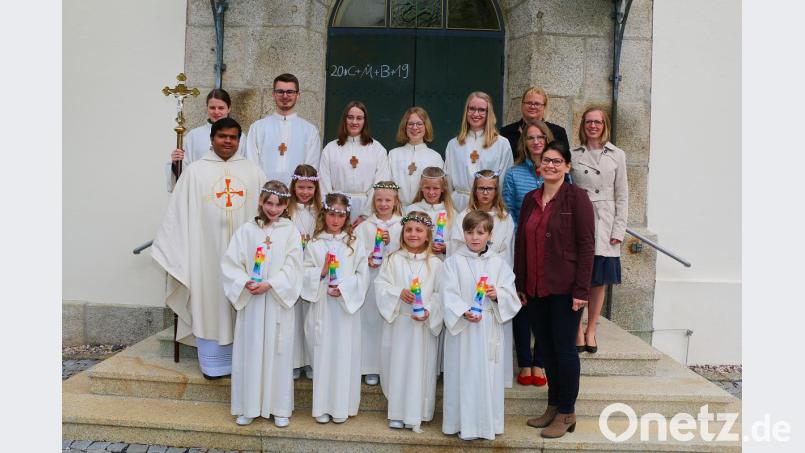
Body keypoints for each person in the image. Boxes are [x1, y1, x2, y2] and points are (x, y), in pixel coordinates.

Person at [152, 117, 266, 378]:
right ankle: (214, 365)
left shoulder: (253, 171)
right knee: (210, 299)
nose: (228, 141)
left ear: (240, 140)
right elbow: (178, 214)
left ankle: (245, 362)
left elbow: (267, 213)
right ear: (212, 139)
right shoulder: (195, 172)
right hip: (206, 255)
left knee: (242, 299)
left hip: (244, 257)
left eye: (233, 137)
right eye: (222, 136)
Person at [513, 142, 595, 439]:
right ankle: (552, 405)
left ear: (567, 166)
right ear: (539, 165)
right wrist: (520, 284)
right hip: (534, 289)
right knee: (545, 350)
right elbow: (521, 244)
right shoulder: (530, 199)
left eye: (557, 161)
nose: (550, 165)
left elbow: (587, 247)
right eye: (546, 160)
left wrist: (581, 290)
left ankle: (567, 412)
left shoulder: (577, 198)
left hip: (565, 289)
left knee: (564, 351)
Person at [221, 181, 303, 428]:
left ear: (286, 205)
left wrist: (272, 284)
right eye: (269, 203)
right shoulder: (247, 231)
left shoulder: (290, 232)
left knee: (279, 353)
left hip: (277, 301)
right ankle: (248, 406)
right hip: (254, 304)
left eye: (279, 204)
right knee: (252, 350)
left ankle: (279, 408)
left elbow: (294, 266)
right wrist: (245, 282)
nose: (273, 209)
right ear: (261, 201)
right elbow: (230, 263)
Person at [441, 211, 520, 441]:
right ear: (462, 234)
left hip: (488, 328)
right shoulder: (453, 262)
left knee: (487, 376)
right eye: (469, 232)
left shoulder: (498, 263)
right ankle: (459, 423)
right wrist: (462, 311)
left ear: (490, 234)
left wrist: (497, 296)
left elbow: (511, 296)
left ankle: (487, 425)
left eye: (480, 232)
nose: (475, 237)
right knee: (462, 374)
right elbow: (447, 294)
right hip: (463, 330)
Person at [301, 193, 370, 424]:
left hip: (344, 312)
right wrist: (320, 273)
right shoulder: (314, 243)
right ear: (324, 214)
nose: (335, 220)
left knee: (343, 355)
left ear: (347, 216)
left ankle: (342, 407)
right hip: (321, 306)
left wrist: (345, 288)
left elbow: (363, 275)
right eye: (331, 214)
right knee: (323, 354)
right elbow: (303, 271)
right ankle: (321, 406)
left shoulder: (354, 244)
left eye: (341, 215)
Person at [375, 212, 443, 433]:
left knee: (421, 368)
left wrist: (429, 309)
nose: (413, 234)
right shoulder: (393, 259)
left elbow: (440, 294)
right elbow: (381, 285)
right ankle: (396, 412)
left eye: (419, 230)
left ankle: (418, 412)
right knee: (398, 366)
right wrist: (398, 293)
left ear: (428, 235)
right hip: (400, 323)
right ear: (402, 233)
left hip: (421, 326)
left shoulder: (435, 263)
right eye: (409, 230)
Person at [448, 169, 516, 388]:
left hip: (493, 281)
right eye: (481, 188)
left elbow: (509, 252)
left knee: (490, 354)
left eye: (490, 188)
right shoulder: (463, 216)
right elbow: (455, 249)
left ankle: (497, 381)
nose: (485, 193)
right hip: (466, 283)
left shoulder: (505, 218)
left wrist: (500, 288)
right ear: (474, 189)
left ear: (497, 190)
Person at [570, 107, 628, 354]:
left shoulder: (617, 155)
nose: (593, 126)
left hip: (605, 222)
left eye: (598, 122)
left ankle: (591, 329)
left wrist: (619, 229)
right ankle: (576, 330)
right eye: (589, 122)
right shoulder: (573, 155)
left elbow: (622, 194)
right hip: (579, 220)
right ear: (583, 125)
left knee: (598, 282)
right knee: (576, 279)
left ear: (605, 126)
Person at [501, 120, 554, 387]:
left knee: (545, 305)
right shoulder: (513, 174)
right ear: (525, 142)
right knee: (522, 303)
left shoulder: (558, 172)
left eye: (540, 137)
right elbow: (508, 210)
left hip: (549, 248)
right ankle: (524, 362)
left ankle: (540, 362)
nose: (535, 142)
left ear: (547, 140)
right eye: (531, 138)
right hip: (522, 246)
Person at [354, 181, 404, 386]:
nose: (383, 204)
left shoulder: (401, 225)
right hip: (370, 280)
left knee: (389, 322)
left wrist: (389, 244)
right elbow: (355, 251)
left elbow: (406, 249)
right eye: (379, 200)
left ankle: (386, 366)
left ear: (395, 202)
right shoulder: (364, 227)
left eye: (388, 200)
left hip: (392, 281)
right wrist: (366, 257)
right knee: (369, 322)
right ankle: (369, 366)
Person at [244, 73, 321, 186]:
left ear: (297, 95)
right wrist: (266, 190)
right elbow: (252, 164)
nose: (285, 96)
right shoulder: (257, 128)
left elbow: (310, 167)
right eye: (280, 91)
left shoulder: (310, 131)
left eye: (290, 92)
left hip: (296, 195)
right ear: (273, 94)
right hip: (264, 194)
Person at [319, 101, 390, 222]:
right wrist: (334, 212)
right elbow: (324, 183)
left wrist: (366, 214)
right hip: (337, 209)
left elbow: (380, 184)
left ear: (365, 121)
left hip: (367, 208)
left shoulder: (377, 149)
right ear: (344, 120)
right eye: (350, 117)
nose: (354, 122)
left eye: (359, 118)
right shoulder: (331, 149)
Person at [166, 89, 247, 192]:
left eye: (221, 108)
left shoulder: (239, 137)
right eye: (212, 108)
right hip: (200, 189)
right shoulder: (193, 136)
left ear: (229, 108)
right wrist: (175, 163)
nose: (216, 112)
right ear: (207, 108)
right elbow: (185, 170)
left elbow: (245, 167)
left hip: (229, 190)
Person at [445, 92, 513, 213]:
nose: (476, 114)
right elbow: (448, 181)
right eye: (472, 109)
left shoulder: (501, 144)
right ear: (466, 111)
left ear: (488, 113)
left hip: (488, 205)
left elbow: (503, 181)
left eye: (482, 110)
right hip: (458, 205)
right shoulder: (453, 144)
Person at [287, 164, 322, 380]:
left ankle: (310, 360)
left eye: (310, 187)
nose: (305, 192)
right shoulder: (286, 210)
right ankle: (293, 362)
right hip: (292, 267)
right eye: (301, 187)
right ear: (294, 186)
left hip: (313, 269)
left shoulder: (320, 211)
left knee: (311, 319)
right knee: (293, 319)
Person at [387, 107, 444, 206]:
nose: (415, 127)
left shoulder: (435, 157)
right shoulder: (393, 154)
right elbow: (387, 185)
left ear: (426, 127)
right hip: (397, 210)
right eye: (410, 124)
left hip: (423, 211)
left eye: (419, 124)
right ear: (405, 126)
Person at [499, 86, 569, 159]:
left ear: (544, 107)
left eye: (537, 104)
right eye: (529, 103)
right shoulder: (506, 132)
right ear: (522, 105)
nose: (532, 107)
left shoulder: (558, 132)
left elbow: (564, 160)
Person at [404, 166, 457, 259]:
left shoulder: (452, 213)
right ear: (421, 188)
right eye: (427, 188)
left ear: (443, 189)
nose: (431, 192)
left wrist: (446, 247)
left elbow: (457, 240)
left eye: (435, 188)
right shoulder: (410, 210)